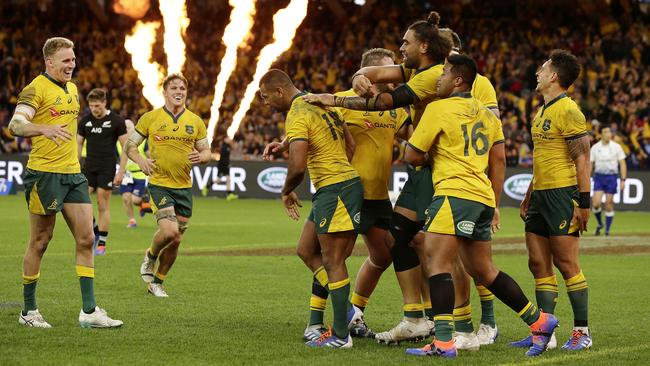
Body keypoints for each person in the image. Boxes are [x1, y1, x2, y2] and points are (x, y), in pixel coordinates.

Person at [304, 11, 451, 344]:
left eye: (404, 46)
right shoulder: (344, 102)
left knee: (386, 252)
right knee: (328, 255)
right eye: (385, 66)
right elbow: (313, 126)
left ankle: (355, 311)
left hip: (378, 197)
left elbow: (410, 134)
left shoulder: (399, 107)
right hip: (345, 191)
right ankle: (317, 321)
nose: (394, 68)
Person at [403, 54, 558, 358]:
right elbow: (498, 159)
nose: (439, 78)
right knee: (483, 270)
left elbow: (411, 155)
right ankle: (539, 320)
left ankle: (444, 342)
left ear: (458, 79)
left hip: (452, 194)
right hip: (482, 197)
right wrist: (496, 202)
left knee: (437, 264)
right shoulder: (489, 117)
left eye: (445, 73)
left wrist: (432, 155)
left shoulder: (437, 108)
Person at [9, 37, 122, 328]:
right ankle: (29, 312)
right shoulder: (35, 88)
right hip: (44, 174)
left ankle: (89, 311)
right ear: (49, 62)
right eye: (66, 61)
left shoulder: (72, 89)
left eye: (73, 60)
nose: (72, 65)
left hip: (73, 174)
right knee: (40, 241)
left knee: (87, 238)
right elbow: (15, 125)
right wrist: (42, 129)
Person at [259, 69, 363, 349]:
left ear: (280, 91)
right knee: (306, 250)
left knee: (333, 261)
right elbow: (349, 143)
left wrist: (285, 190)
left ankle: (341, 335)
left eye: (266, 97)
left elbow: (297, 166)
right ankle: (347, 312)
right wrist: (284, 144)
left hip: (336, 189)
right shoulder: (318, 101)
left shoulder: (296, 112)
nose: (265, 103)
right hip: (336, 186)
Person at [516, 49, 592, 352]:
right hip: (540, 196)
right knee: (538, 264)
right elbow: (543, 157)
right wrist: (530, 191)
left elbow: (582, 160)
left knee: (566, 262)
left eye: (542, 68)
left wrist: (583, 203)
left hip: (562, 195)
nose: (538, 72)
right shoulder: (542, 110)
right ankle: (545, 332)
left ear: (554, 76)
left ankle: (582, 331)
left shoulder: (569, 110)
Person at [127, 73, 211, 297]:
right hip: (159, 184)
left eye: (182, 88)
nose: (178, 92)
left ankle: (157, 282)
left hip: (184, 187)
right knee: (170, 231)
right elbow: (130, 146)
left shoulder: (195, 121)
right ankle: (151, 255)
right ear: (164, 92)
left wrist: (202, 157)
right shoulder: (150, 118)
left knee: (176, 240)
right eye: (173, 88)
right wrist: (141, 160)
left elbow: (207, 151)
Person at [77, 88, 128, 255]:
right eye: (91, 106)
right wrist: (75, 165)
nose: (94, 109)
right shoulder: (85, 122)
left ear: (105, 103)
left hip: (107, 168)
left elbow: (126, 148)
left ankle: (102, 244)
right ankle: (94, 229)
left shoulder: (117, 121)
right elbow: (77, 144)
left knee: (102, 204)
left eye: (97, 105)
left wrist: (120, 172)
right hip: (88, 167)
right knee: (79, 202)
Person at [591, 125, 626, 236]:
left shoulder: (616, 147)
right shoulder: (595, 147)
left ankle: (607, 230)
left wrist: (623, 180)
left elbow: (622, 163)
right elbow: (590, 164)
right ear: (601, 134)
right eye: (606, 132)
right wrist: (587, 178)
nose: (608, 134)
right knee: (596, 204)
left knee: (608, 204)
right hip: (599, 177)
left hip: (611, 177)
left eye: (609, 132)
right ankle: (600, 223)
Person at [117, 119, 149, 228]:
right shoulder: (118, 143)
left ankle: (142, 204)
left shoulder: (143, 142)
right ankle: (132, 220)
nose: (126, 130)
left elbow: (150, 156)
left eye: (128, 128)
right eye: (124, 128)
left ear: (134, 128)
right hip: (127, 175)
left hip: (140, 174)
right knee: (126, 198)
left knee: (135, 200)